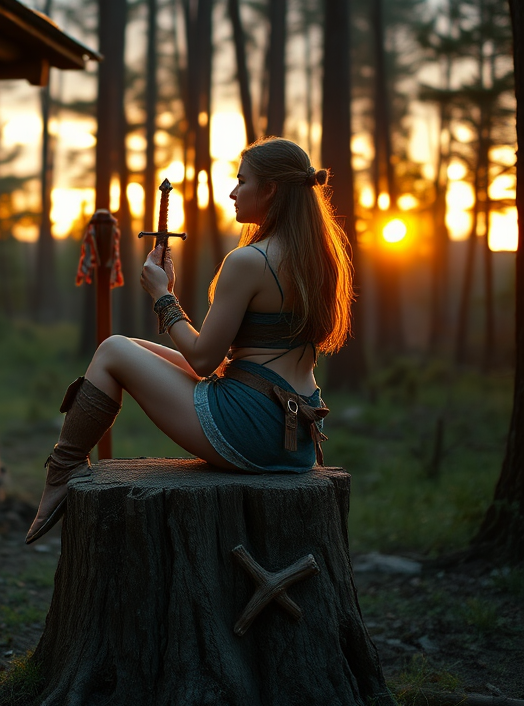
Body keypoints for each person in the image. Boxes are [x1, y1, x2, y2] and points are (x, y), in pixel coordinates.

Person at [25, 137, 354, 545]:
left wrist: (164, 297)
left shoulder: (250, 261)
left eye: (242, 181)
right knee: (128, 345)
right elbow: (225, 359)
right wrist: (171, 297)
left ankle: (63, 469)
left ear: (269, 189)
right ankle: (65, 468)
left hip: (251, 427)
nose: (233, 192)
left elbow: (201, 360)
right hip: (294, 431)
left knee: (111, 351)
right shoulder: (319, 258)